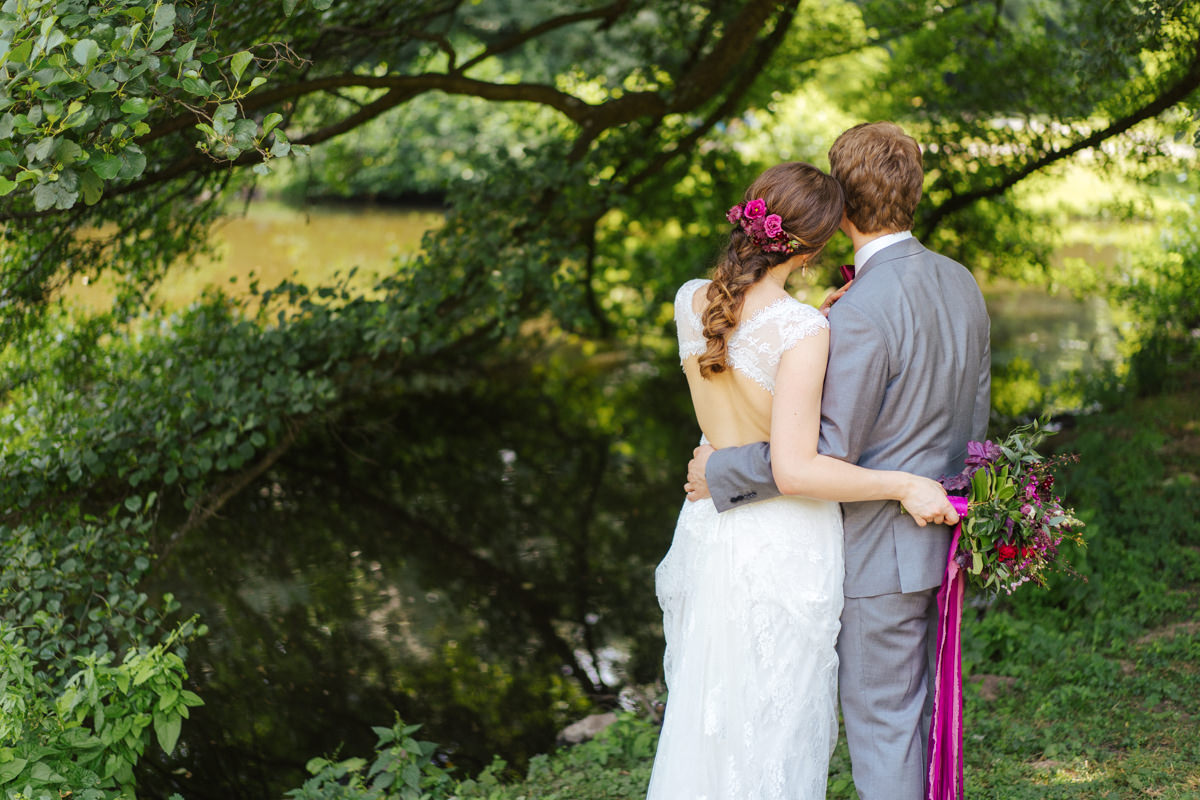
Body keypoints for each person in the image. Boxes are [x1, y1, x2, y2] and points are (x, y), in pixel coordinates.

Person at [685, 123, 991, 800]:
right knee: (913, 719)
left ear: (841, 208)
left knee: (883, 729)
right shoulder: (960, 282)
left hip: (874, 553)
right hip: (941, 539)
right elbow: (974, 423)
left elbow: (819, 452)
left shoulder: (853, 314)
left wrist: (724, 471)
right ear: (913, 193)